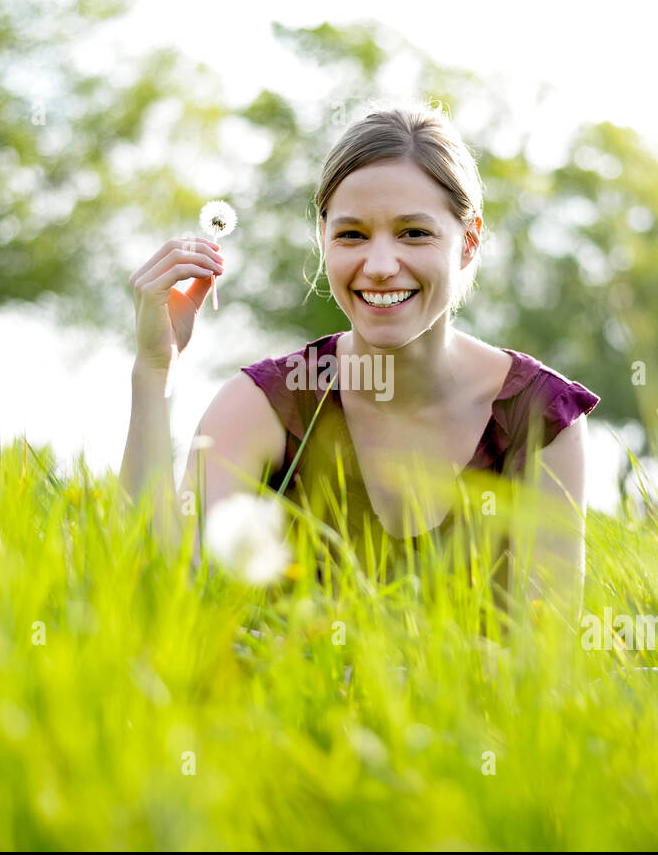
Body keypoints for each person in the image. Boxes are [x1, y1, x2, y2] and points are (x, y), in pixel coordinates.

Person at [123, 101, 599, 629]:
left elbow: (546, 654)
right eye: (352, 235)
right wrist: (152, 371)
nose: (378, 266)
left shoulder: (538, 417)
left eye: (413, 233)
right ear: (323, 238)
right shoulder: (270, 403)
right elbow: (163, 587)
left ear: (468, 242)